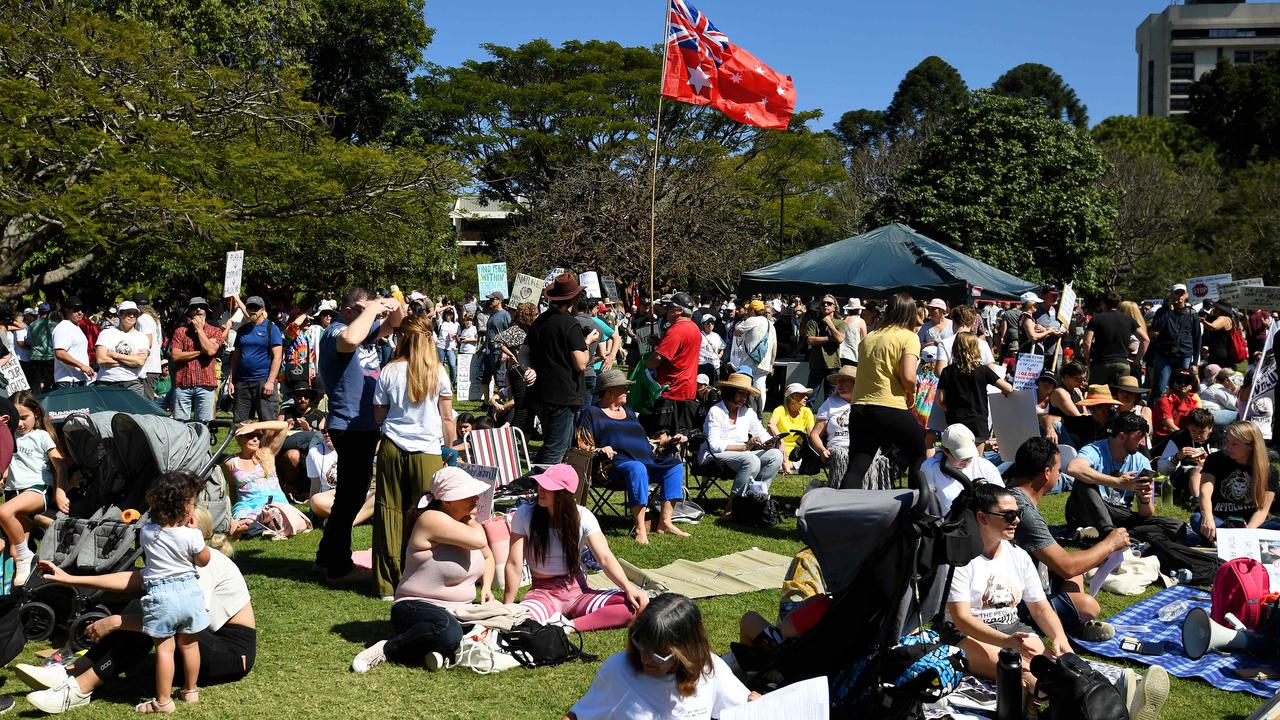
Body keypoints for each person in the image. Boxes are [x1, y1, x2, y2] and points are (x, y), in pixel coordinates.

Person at [23, 507, 254, 715]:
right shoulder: (179, 562)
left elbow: (178, 619)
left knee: (153, 616)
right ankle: (72, 671)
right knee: (145, 608)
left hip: (232, 655)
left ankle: (81, 688)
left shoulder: (205, 563)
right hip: (201, 644)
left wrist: (116, 622)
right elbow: (132, 580)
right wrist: (71, 578)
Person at [350, 467, 496, 673]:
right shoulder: (431, 519)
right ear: (447, 500)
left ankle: (432, 652)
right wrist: (472, 519)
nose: (476, 498)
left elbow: (488, 555)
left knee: (499, 625)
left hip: (461, 609)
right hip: (417, 606)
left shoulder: (463, 523)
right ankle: (387, 648)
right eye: (468, 495)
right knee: (447, 629)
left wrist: (487, 586)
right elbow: (480, 541)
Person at [945, 484, 1073, 695]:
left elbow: (1040, 608)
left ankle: (1103, 696)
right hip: (965, 634)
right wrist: (1006, 642)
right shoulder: (960, 559)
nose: (1017, 520)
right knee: (1021, 671)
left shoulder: (1019, 556)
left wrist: (1060, 638)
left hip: (1012, 629)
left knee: (1059, 668)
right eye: (1008, 515)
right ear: (982, 518)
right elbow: (962, 619)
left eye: (1018, 513)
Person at [315, 288, 404, 585]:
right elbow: (350, 340)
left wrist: (394, 304)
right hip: (349, 425)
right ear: (350, 310)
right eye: (364, 311)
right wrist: (374, 307)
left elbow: (396, 324)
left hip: (363, 425)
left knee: (349, 497)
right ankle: (338, 566)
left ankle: (327, 557)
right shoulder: (336, 331)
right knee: (350, 498)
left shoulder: (362, 329)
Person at [564, 593, 754, 720]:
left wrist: (757, 702)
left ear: (687, 650)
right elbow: (578, 716)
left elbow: (746, 710)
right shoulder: (618, 669)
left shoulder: (708, 667)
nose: (646, 658)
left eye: (659, 653)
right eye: (641, 645)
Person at [1003, 439, 1123, 639]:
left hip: (1034, 580)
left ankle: (1070, 618)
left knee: (1077, 571)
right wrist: (1110, 543)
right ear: (1047, 472)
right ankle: (1069, 622)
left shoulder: (1014, 495)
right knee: (1088, 606)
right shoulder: (1022, 510)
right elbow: (1066, 566)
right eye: (1058, 469)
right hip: (1017, 603)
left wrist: (1097, 553)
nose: (1061, 474)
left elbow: (1065, 564)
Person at [372, 315, 456, 598]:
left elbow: (379, 414)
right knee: (428, 515)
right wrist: (450, 450)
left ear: (403, 338)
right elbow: (448, 419)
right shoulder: (438, 372)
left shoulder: (389, 370)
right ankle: (424, 579)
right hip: (428, 451)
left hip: (393, 447)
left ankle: (387, 583)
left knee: (389, 512)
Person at [504, 465, 647, 631]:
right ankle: (561, 621)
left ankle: (568, 626)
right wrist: (507, 606)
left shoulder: (583, 516)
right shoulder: (524, 514)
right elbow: (514, 563)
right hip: (542, 593)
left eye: (548, 487)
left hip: (577, 592)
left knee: (633, 607)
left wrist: (629, 588)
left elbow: (605, 558)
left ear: (564, 494)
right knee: (520, 622)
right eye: (540, 484)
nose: (540, 490)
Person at [577, 369, 688, 544]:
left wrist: (667, 442)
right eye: (624, 388)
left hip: (646, 461)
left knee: (674, 465)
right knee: (637, 468)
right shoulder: (591, 413)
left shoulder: (628, 411)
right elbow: (581, 445)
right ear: (610, 391)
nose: (628, 391)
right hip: (612, 467)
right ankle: (640, 528)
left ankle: (665, 522)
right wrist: (599, 449)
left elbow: (644, 441)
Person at [132, 472, 211, 713]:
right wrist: (197, 534)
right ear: (184, 507)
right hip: (189, 592)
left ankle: (164, 701)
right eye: (192, 503)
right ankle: (190, 690)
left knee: (165, 649)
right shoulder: (192, 535)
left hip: (161, 595)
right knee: (189, 645)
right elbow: (204, 560)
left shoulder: (147, 532)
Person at [843, 293, 926, 490]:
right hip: (889, 406)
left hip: (860, 407)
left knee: (857, 464)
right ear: (910, 313)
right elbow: (908, 376)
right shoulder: (909, 337)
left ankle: (841, 511)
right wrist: (912, 393)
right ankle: (917, 508)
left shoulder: (870, 337)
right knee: (918, 453)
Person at [2, 392, 67, 585]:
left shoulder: (41, 436)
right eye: (16, 419)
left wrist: (60, 490)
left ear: (36, 414)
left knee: (4, 512)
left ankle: (25, 557)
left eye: (24, 418)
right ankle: (29, 587)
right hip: (13, 493)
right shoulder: (8, 435)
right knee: (14, 552)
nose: (20, 423)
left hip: (36, 490)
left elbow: (60, 464)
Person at [700, 373, 784, 514]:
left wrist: (769, 442)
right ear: (730, 392)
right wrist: (745, 447)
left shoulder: (747, 412)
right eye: (740, 393)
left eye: (746, 394)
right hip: (714, 455)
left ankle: (756, 499)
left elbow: (761, 433)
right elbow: (714, 446)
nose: (744, 398)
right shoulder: (716, 411)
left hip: (741, 455)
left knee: (775, 455)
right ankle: (732, 507)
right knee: (752, 459)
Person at [1065, 413, 1157, 536]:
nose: (1143, 443)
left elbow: (1146, 513)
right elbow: (1074, 468)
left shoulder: (1142, 461)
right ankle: (1109, 532)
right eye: (1139, 437)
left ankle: (1111, 532)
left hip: (1118, 513)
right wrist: (1119, 483)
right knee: (1083, 482)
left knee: (1173, 525)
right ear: (1122, 437)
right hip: (1088, 511)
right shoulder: (1094, 449)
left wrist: (1144, 500)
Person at [1193, 420, 1280, 543]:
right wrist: (1208, 517)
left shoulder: (1269, 471)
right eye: (1227, 441)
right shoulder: (1215, 459)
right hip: (1220, 520)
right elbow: (1205, 491)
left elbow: (1262, 510)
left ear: (1250, 446)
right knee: (1197, 519)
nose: (1228, 447)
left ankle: (1226, 540)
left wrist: (1247, 532)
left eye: (1234, 444)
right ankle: (1228, 538)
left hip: (1252, 524)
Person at [937, 333, 1013, 451]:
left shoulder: (947, 371)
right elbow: (1008, 388)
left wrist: (951, 410)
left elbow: (940, 399)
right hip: (978, 422)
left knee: (956, 460)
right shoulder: (983, 370)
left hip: (956, 421)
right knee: (976, 461)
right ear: (975, 348)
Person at [645, 292, 702, 437]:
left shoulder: (676, 330)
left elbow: (656, 359)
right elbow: (681, 352)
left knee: (662, 437)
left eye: (670, 307)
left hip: (670, 390)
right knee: (682, 435)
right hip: (687, 390)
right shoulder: (695, 328)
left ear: (679, 311)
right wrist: (660, 343)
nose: (667, 311)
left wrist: (646, 364)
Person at [920, 424, 1004, 516]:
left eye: (970, 456)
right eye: (961, 457)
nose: (967, 461)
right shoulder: (930, 468)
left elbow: (1001, 498)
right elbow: (930, 506)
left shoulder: (985, 466)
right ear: (945, 450)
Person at [227, 296, 284, 423]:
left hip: (263, 382)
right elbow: (235, 358)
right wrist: (231, 381)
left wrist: (270, 381)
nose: (252, 310)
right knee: (240, 425)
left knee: (268, 424)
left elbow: (277, 357)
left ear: (262, 309)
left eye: (256, 308)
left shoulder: (271, 328)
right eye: (249, 307)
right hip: (242, 382)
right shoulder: (242, 330)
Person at [223, 422, 290, 529]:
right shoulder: (230, 462)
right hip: (246, 505)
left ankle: (253, 524)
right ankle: (253, 524)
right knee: (240, 519)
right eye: (250, 435)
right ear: (239, 439)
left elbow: (284, 426)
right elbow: (232, 488)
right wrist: (234, 509)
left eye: (258, 436)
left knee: (273, 513)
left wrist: (255, 426)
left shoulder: (268, 454)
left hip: (274, 502)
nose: (255, 439)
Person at [169, 297, 225, 423]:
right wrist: (201, 352)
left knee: (204, 425)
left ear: (206, 311)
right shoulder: (180, 332)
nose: (198, 309)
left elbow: (211, 351)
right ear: (189, 312)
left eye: (202, 307)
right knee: (180, 425)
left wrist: (199, 330)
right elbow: (176, 356)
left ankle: (202, 443)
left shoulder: (215, 330)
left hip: (205, 384)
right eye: (194, 307)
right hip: (183, 384)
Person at [1083, 292, 1148, 387]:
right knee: (1121, 396)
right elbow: (1145, 340)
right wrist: (1136, 360)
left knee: (1097, 396)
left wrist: (1087, 360)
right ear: (1118, 305)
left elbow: (1087, 342)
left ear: (1103, 304)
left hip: (1101, 364)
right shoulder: (1129, 320)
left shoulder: (1096, 319)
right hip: (1122, 364)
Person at [1147, 284, 1201, 398]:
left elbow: (1197, 339)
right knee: (1160, 388)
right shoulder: (1162, 311)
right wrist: (1168, 310)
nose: (1179, 296)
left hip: (1184, 355)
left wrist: (1195, 362)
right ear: (1171, 295)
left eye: (1182, 293)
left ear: (1186, 295)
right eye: (1177, 293)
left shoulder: (1192, 313)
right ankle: (1155, 412)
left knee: (1181, 388)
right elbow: (1156, 327)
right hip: (1164, 355)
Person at [1156, 408, 1214, 505]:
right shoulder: (1179, 438)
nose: (1197, 435)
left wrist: (1210, 460)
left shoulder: (1219, 438)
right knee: (1197, 470)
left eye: (1201, 432)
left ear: (1210, 428)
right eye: (1193, 431)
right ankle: (1197, 501)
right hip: (1184, 477)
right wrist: (1177, 457)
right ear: (1188, 427)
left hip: (1214, 476)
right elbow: (1163, 470)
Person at [93, 300, 150, 396]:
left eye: (134, 314)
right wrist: (131, 361)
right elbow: (101, 359)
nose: (132, 316)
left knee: (133, 411)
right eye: (128, 313)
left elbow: (139, 362)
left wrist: (113, 354)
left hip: (132, 384)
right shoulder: (106, 333)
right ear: (120, 314)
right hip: (106, 382)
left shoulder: (142, 338)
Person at [810, 367, 854, 487]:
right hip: (837, 450)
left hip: (860, 449)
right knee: (842, 456)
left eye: (843, 381)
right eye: (837, 381)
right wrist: (822, 450)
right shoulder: (830, 403)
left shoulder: (865, 402)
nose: (839, 384)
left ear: (855, 383)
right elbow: (814, 434)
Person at [734, 300, 776, 416]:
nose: (747, 311)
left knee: (744, 386)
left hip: (749, 362)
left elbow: (736, 332)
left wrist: (740, 322)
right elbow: (774, 346)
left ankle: (745, 412)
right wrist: (771, 364)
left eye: (749, 309)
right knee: (760, 388)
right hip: (764, 362)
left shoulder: (751, 320)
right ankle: (759, 414)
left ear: (753, 310)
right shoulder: (769, 324)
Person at [803, 294, 845, 399]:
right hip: (816, 364)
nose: (825, 305)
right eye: (823, 303)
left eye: (829, 303)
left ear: (834, 307)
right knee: (810, 397)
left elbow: (840, 339)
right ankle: (807, 415)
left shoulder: (839, 323)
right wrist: (830, 338)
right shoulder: (813, 322)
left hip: (833, 365)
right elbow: (810, 340)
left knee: (831, 398)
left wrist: (829, 323)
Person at [768, 383, 814, 475]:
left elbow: (811, 434)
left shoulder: (807, 412)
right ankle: (787, 466)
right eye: (802, 395)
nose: (806, 397)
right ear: (791, 398)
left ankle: (784, 467)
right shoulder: (780, 410)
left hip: (796, 452)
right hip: (779, 449)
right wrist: (781, 441)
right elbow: (771, 425)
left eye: (806, 395)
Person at [52, 296, 94, 388]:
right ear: (67, 310)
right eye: (76, 309)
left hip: (78, 380)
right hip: (68, 381)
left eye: (82, 310)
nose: (80, 312)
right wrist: (81, 366)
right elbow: (60, 353)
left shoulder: (75, 327)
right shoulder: (63, 328)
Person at [1151, 368, 1200, 444]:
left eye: (1186, 381)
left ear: (1191, 385)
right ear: (1173, 383)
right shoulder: (1164, 401)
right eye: (1179, 380)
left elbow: (1198, 422)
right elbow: (1170, 427)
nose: (1183, 384)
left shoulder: (1192, 401)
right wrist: (1189, 440)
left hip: (1184, 438)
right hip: (1164, 440)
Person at [480, 292, 511, 403]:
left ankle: (500, 404)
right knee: (485, 379)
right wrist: (481, 348)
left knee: (500, 380)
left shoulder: (505, 315)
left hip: (498, 352)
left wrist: (506, 352)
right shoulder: (492, 314)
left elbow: (509, 334)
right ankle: (487, 403)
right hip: (488, 352)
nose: (490, 301)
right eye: (490, 299)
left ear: (500, 300)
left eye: (493, 299)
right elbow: (490, 333)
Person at [434, 306, 460, 383]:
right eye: (447, 314)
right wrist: (448, 307)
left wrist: (455, 337)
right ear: (445, 314)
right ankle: (439, 382)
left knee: (452, 365)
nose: (449, 316)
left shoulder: (456, 324)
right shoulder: (441, 322)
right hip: (440, 346)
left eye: (451, 314)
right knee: (440, 366)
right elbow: (437, 311)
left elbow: (458, 337)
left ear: (453, 315)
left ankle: (451, 383)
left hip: (451, 347)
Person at [839, 298, 866, 369]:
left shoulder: (842, 320)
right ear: (858, 309)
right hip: (854, 355)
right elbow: (864, 340)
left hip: (841, 354)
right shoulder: (861, 321)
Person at [697, 315, 723, 382]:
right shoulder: (699, 335)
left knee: (714, 387)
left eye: (712, 322)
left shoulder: (717, 336)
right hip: (702, 365)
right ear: (703, 324)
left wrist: (720, 355)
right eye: (707, 322)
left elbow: (722, 347)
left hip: (715, 366)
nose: (710, 324)